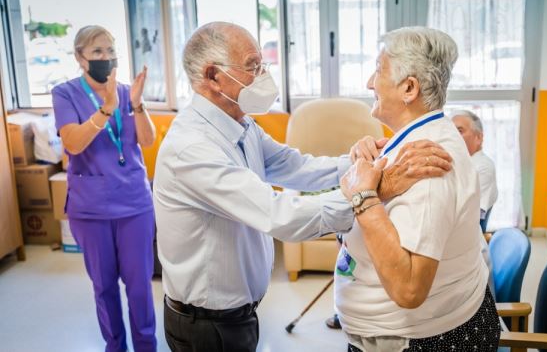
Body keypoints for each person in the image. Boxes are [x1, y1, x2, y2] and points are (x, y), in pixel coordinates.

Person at [152, 22, 453, 352]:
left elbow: (293, 165)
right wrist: (371, 191)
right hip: (206, 325)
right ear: (213, 76)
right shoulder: (192, 148)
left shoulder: (238, 122)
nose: (264, 76)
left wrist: (363, 164)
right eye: (253, 66)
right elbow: (280, 216)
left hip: (238, 314)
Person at [335, 26, 501, 352]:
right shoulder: (417, 141)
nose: (370, 82)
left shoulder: (428, 166)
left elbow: (410, 289)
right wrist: (371, 162)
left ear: (409, 88)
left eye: (378, 71)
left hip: (426, 341)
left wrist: (364, 197)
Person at [52, 25, 157, 352]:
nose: (106, 58)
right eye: (97, 52)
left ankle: (146, 346)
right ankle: (115, 346)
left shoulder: (127, 92)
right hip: (92, 208)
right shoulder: (65, 93)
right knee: (104, 286)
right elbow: (73, 143)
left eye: (111, 51)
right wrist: (106, 108)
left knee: (140, 286)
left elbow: (148, 140)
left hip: (135, 203)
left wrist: (137, 105)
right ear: (79, 58)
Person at [452, 110, 498, 230]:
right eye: (451, 131)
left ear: (478, 137)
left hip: (466, 237)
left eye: (460, 131)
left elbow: (472, 215)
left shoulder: (484, 167)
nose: (453, 136)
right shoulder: (456, 163)